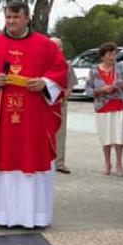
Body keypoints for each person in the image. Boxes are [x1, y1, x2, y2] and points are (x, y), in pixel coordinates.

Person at [0, 1, 69, 229]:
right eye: (8, 17)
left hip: (33, 117)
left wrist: (44, 83)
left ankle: (33, 215)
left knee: (31, 156)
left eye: (16, 17)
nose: (11, 21)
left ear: (27, 18)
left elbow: (59, 72)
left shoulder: (46, 46)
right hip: (0, 118)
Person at [85, 42, 123, 176]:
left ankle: (119, 163)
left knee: (119, 136)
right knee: (106, 136)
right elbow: (88, 91)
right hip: (102, 107)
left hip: (119, 105)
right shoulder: (94, 71)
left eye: (115, 54)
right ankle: (107, 162)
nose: (113, 56)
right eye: (110, 54)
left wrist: (122, 86)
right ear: (103, 56)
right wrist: (101, 90)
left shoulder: (121, 68)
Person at [50, 37, 77, 174]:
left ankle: (59, 163)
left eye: (59, 47)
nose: (57, 49)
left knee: (60, 134)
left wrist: (64, 96)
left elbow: (71, 84)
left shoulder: (67, 65)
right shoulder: (42, 62)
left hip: (60, 103)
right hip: (43, 104)